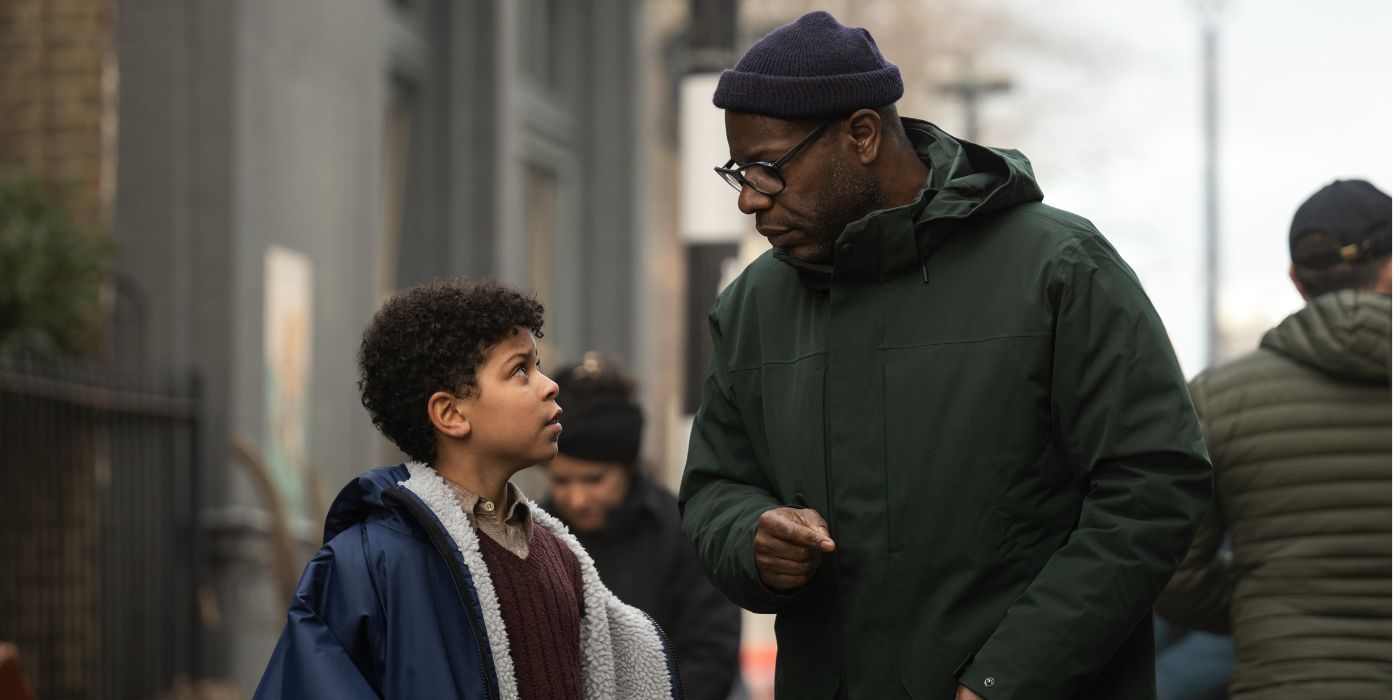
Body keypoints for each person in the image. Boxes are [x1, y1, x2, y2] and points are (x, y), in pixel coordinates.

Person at [677, 11, 1213, 700]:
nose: (750, 199)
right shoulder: (753, 305)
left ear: (862, 135)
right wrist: (749, 536)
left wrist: (1006, 678)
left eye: (768, 169)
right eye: (737, 172)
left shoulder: (1060, 268)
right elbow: (715, 487)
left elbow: (1153, 488)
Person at [254, 279, 679, 699]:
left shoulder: (559, 555)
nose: (549, 385)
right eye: (519, 370)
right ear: (451, 413)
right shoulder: (368, 564)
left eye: (539, 366)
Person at [1156, 180, 1391, 699]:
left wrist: (1257, 609)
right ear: (1392, 266)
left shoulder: (1218, 399)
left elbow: (1171, 573)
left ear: (1297, 278)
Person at [541, 352, 743, 700]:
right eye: (561, 481)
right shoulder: (535, 535)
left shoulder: (683, 532)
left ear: (627, 467)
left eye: (594, 479)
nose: (577, 499)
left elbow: (710, 658)